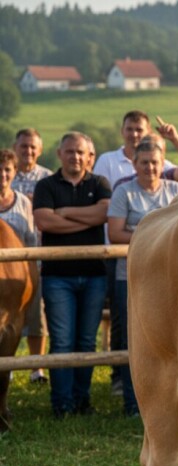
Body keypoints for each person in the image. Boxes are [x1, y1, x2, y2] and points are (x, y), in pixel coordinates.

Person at [33, 132, 111, 419]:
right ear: (59, 153)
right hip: (58, 276)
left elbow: (103, 215)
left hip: (93, 275)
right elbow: (44, 222)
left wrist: (63, 213)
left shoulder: (100, 183)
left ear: (89, 156)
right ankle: (62, 404)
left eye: (80, 152)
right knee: (63, 340)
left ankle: (83, 400)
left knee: (87, 341)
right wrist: (84, 217)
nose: (75, 157)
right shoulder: (46, 185)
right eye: (70, 152)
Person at [107, 139, 178, 416]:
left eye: (155, 162)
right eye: (144, 162)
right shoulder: (123, 192)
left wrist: (145, 235)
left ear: (163, 163)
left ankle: (174, 404)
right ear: (134, 164)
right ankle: (134, 403)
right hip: (130, 277)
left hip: (171, 279)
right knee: (137, 341)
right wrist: (159, 237)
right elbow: (115, 233)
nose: (150, 167)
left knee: (170, 339)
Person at [11, 128, 51, 383]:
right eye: (23, 146)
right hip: (7, 260)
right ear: (16, 147)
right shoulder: (6, 175)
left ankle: (37, 367)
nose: (28, 151)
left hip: (34, 254)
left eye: (32, 147)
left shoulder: (48, 178)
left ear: (40, 149)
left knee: (37, 315)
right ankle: (9, 365)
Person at [93, 110, 178, 188]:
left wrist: (175, 138)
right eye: (129, 129)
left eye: (139, 130)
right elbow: (101, 198)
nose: (134, 134)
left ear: (149, 132)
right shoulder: (106, 160)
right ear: (122, 131)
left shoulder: (161, 165)